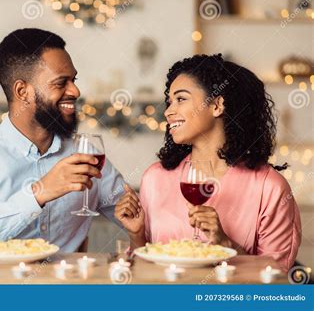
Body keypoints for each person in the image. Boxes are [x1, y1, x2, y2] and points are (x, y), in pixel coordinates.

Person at [0, 28, 125, 252]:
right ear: (22, 91)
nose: (75, 91)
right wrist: (38, 193)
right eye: (61, 83)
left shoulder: (85, 153)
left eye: (73, 80)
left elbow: (135, 214)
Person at [115, 54, 301, 272]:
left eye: (181, 99)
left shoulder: (270, 188)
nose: (168, 111)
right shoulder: (155, 178)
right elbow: (143, 271)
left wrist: (225, 244)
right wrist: (137, 235)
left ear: (216, 105)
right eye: (169, 101)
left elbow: (275, 281)